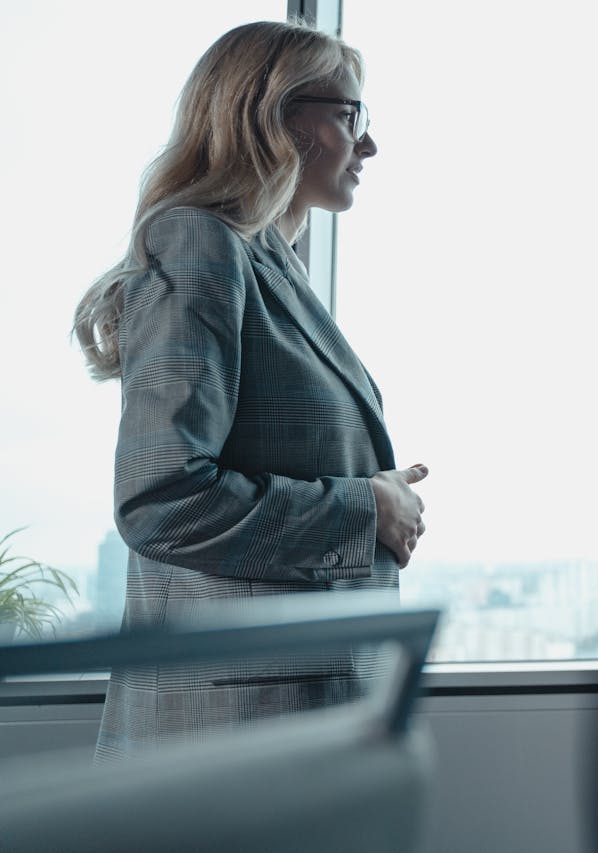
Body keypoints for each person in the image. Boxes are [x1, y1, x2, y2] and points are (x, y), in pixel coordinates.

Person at [72, 20, 428, 761]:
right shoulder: (200, 242)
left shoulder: (269, 260)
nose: (368, 145)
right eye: (349, 115)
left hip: (286, 716)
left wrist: (376, 500)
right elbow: (161, 499)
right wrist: (365, 508)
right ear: (277, 116)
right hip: (229, 730)